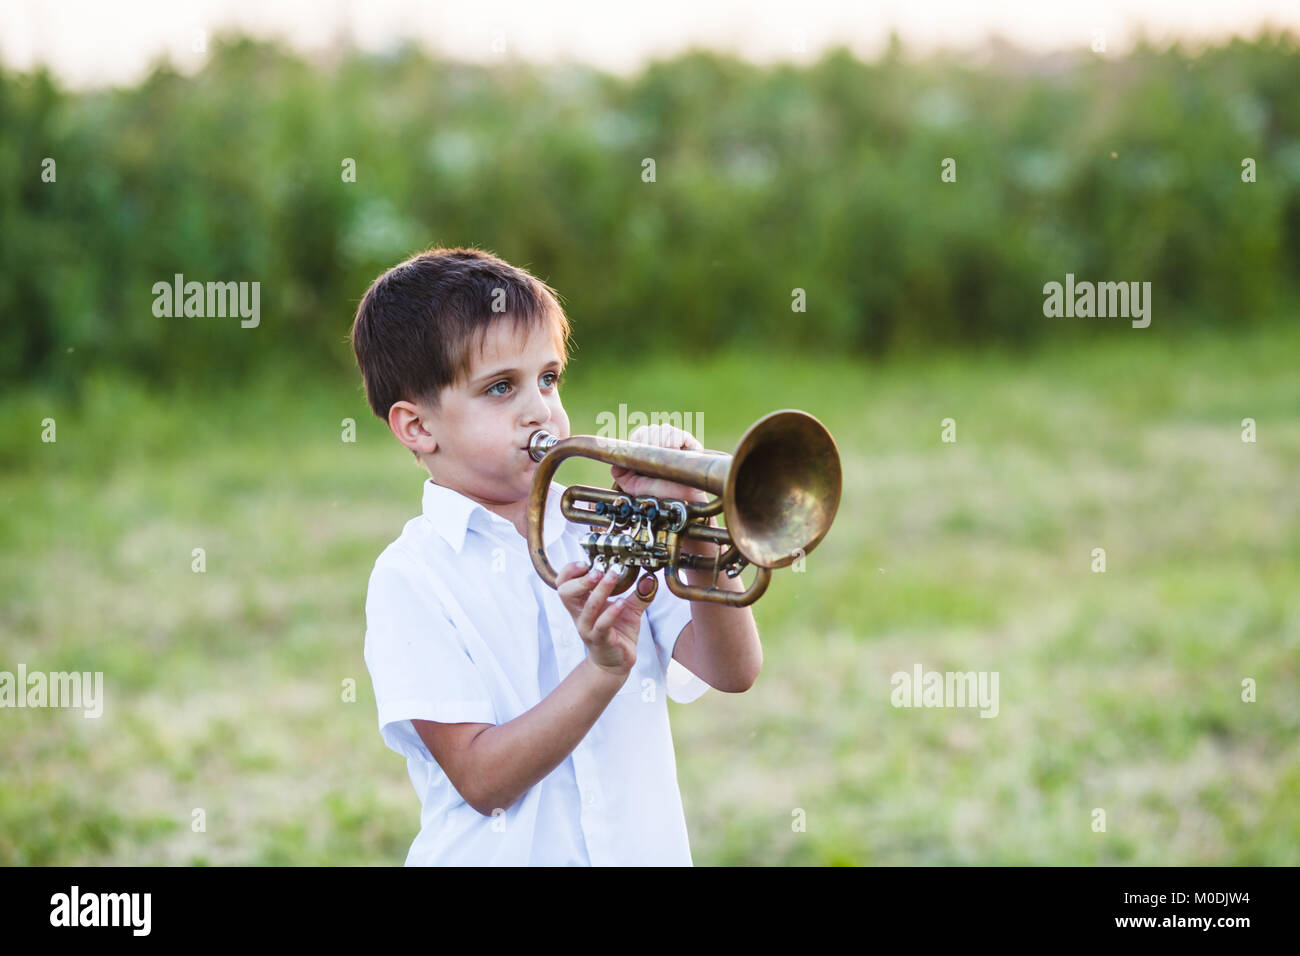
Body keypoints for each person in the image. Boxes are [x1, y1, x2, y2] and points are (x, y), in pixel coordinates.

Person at [350, 246, 762, 865]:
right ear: (417, 427)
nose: (539, 409)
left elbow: (733, 671)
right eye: (499, 388)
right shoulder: (411, 578)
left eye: (548, 378)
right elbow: (483, 782)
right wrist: (601, 671)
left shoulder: (620, 525)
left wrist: (691, 521)